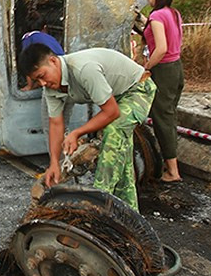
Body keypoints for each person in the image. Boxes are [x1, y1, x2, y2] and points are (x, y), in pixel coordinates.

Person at [18, 44, 157, 211]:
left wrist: (77, 133)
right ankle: (129, 213)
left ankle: (96, 207)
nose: (42, 83)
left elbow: (112, 112)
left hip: (138, 88)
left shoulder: (83, 69)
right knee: (121, 156)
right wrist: (54, 163)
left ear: (53, 61)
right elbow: (55, 124)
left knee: (112, 132)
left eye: (42, 76)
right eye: (37, 80)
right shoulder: (51, 89)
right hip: (117, 96)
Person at [142, 0, 184, 182]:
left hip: (163, 69)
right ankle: (172, 162)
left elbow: (161, 48)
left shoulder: (157, 15)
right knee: (170, 115)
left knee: (162, 119)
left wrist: (146, 67)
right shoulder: (174, 13)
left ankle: (172, 171)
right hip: (177, 68)